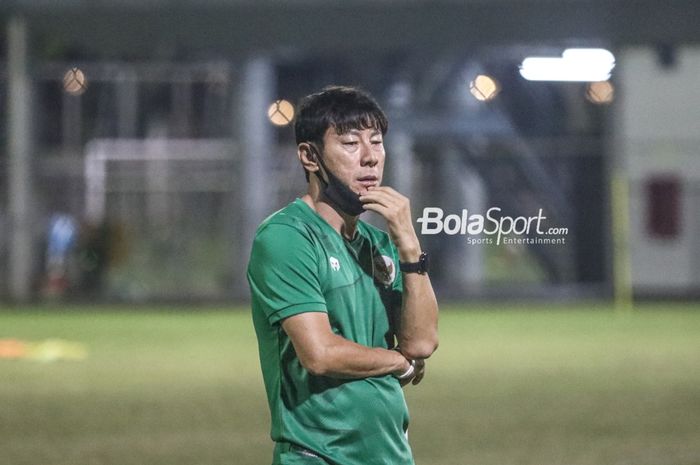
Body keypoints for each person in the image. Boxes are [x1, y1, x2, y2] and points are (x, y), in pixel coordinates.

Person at [247, 85, 439, 465]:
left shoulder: (379, 244)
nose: (370, 158)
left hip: (390, 455)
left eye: (377, 142)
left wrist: (410, 246)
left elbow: (421, 343)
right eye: (351, 143)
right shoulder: (286, 237)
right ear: (309, 155)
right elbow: (320, 354)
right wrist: (396, 362)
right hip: (318, 456)